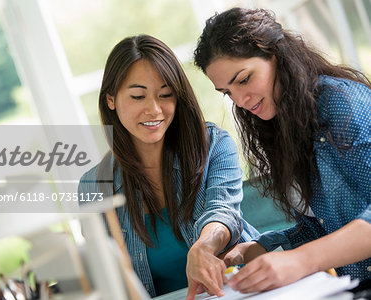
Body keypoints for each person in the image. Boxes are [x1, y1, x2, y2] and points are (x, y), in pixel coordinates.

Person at [194, 7, 371, 294]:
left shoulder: (341, 103)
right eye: (227, 92)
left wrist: (300, 260)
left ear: (275, 55)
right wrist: (257, 248)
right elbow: (327, 226)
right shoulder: (283, 123)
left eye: (243, 79)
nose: (239, 100)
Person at [78, 34, 259, 298]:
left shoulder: (213, 145)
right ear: (111, 100)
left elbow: (222, 211)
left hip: (237, 291)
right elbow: (107, 276)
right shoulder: (93, 185)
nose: (154, 109)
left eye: (165, 95)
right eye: (138, 96)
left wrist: (204, 247)